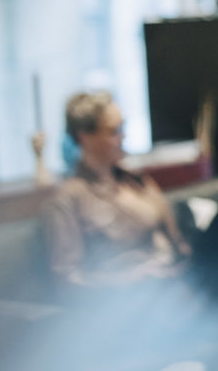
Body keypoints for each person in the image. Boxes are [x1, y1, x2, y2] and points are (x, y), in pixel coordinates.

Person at [43, 90, 190, 287]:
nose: (124, 135)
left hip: (177, 284)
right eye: (115, 130)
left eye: (123, 127)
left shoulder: (137, 181)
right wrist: (134, 279)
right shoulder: (68, 199)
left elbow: (177, 241)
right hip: (131, 300)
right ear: (85, 137)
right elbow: (66, 279)